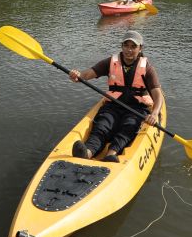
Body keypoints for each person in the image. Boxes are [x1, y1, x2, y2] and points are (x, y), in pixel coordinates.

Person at [68, 30, 164, 163]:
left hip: (136, 108)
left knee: (129, 126)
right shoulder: (110, 62)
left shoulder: (147, 68)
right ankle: (87, 152)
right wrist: (77, 76)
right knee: (102, 125)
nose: (129, 50)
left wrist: (154, 113)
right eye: (126, 45)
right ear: (122, 46)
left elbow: (158, 95)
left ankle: (111, 154)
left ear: (140, 48)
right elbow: (87, 74)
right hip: (113, 105)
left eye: (133, 46)